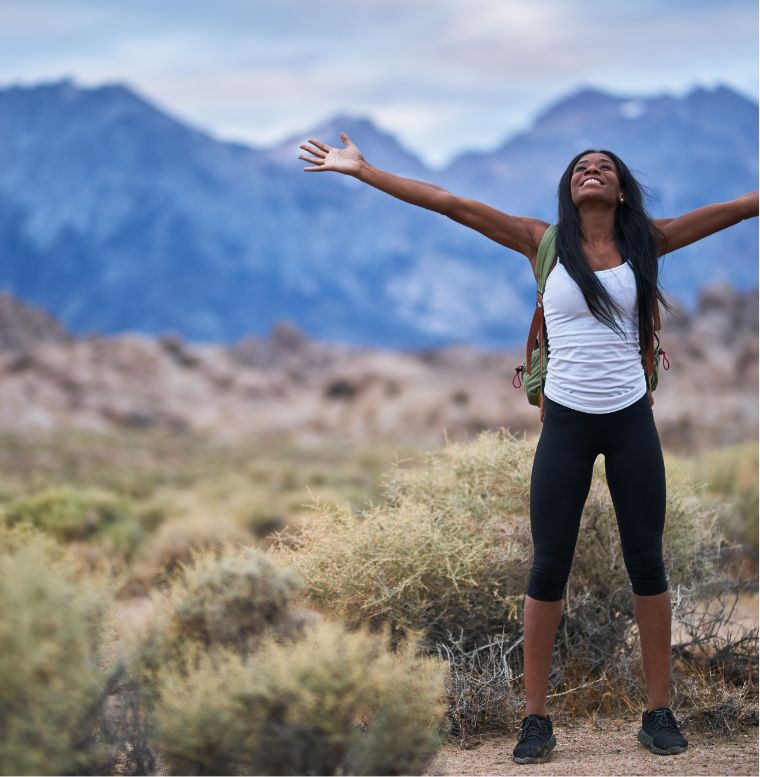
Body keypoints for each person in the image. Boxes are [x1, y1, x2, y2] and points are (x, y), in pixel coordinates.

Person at [298, 133, 759, 763]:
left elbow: (739, 208)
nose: (591, 171)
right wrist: (364, 171)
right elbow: (449, 203)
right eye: (580, 168)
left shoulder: (647, 242)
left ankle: (659, 712)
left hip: (630, 424)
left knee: (647, 564)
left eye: (604, 168)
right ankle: (535, 721)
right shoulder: (541, 242)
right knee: (548, 568)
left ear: (621, 190)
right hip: (565, 426)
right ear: (570, 189)